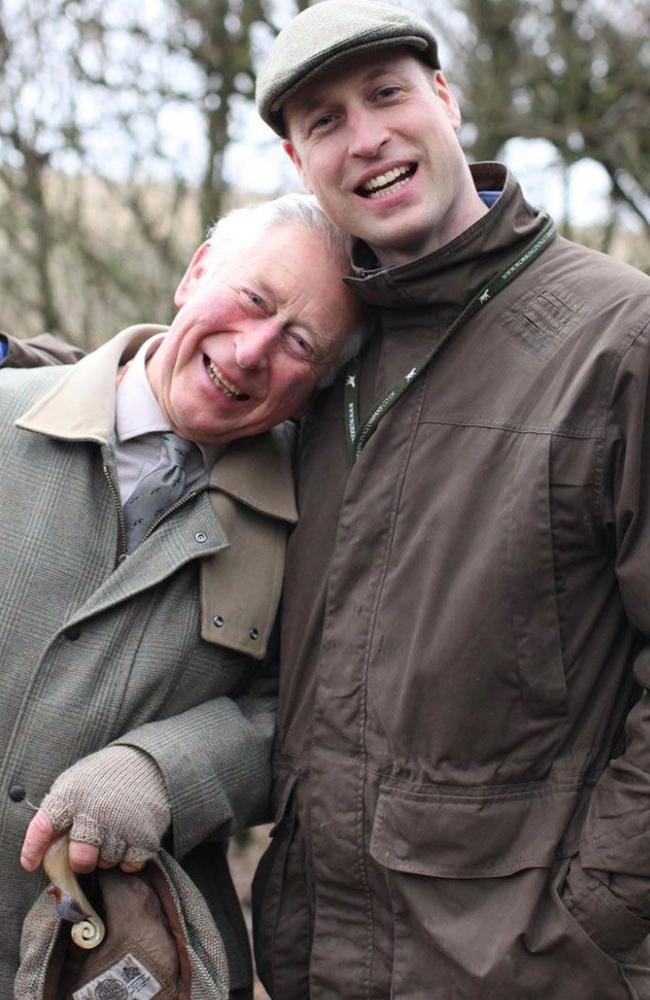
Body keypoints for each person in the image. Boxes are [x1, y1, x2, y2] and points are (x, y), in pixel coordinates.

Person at [249, 2, 650, 998]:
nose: (366, 138)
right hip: (313, 960)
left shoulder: (616, 340)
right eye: (323, 121)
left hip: (529, 966)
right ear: (301, 164)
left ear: (446, 100)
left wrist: (589, 925)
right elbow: (174, 396)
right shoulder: (318, 360)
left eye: (385, 94)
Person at [0, 191, 361, 998]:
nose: (248, 352)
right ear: (196, 272)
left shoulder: (319, 523)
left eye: (298, 341)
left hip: (128, 957)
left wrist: (169, 770)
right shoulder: (4, 419)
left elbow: (320, 717)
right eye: (252, 300)